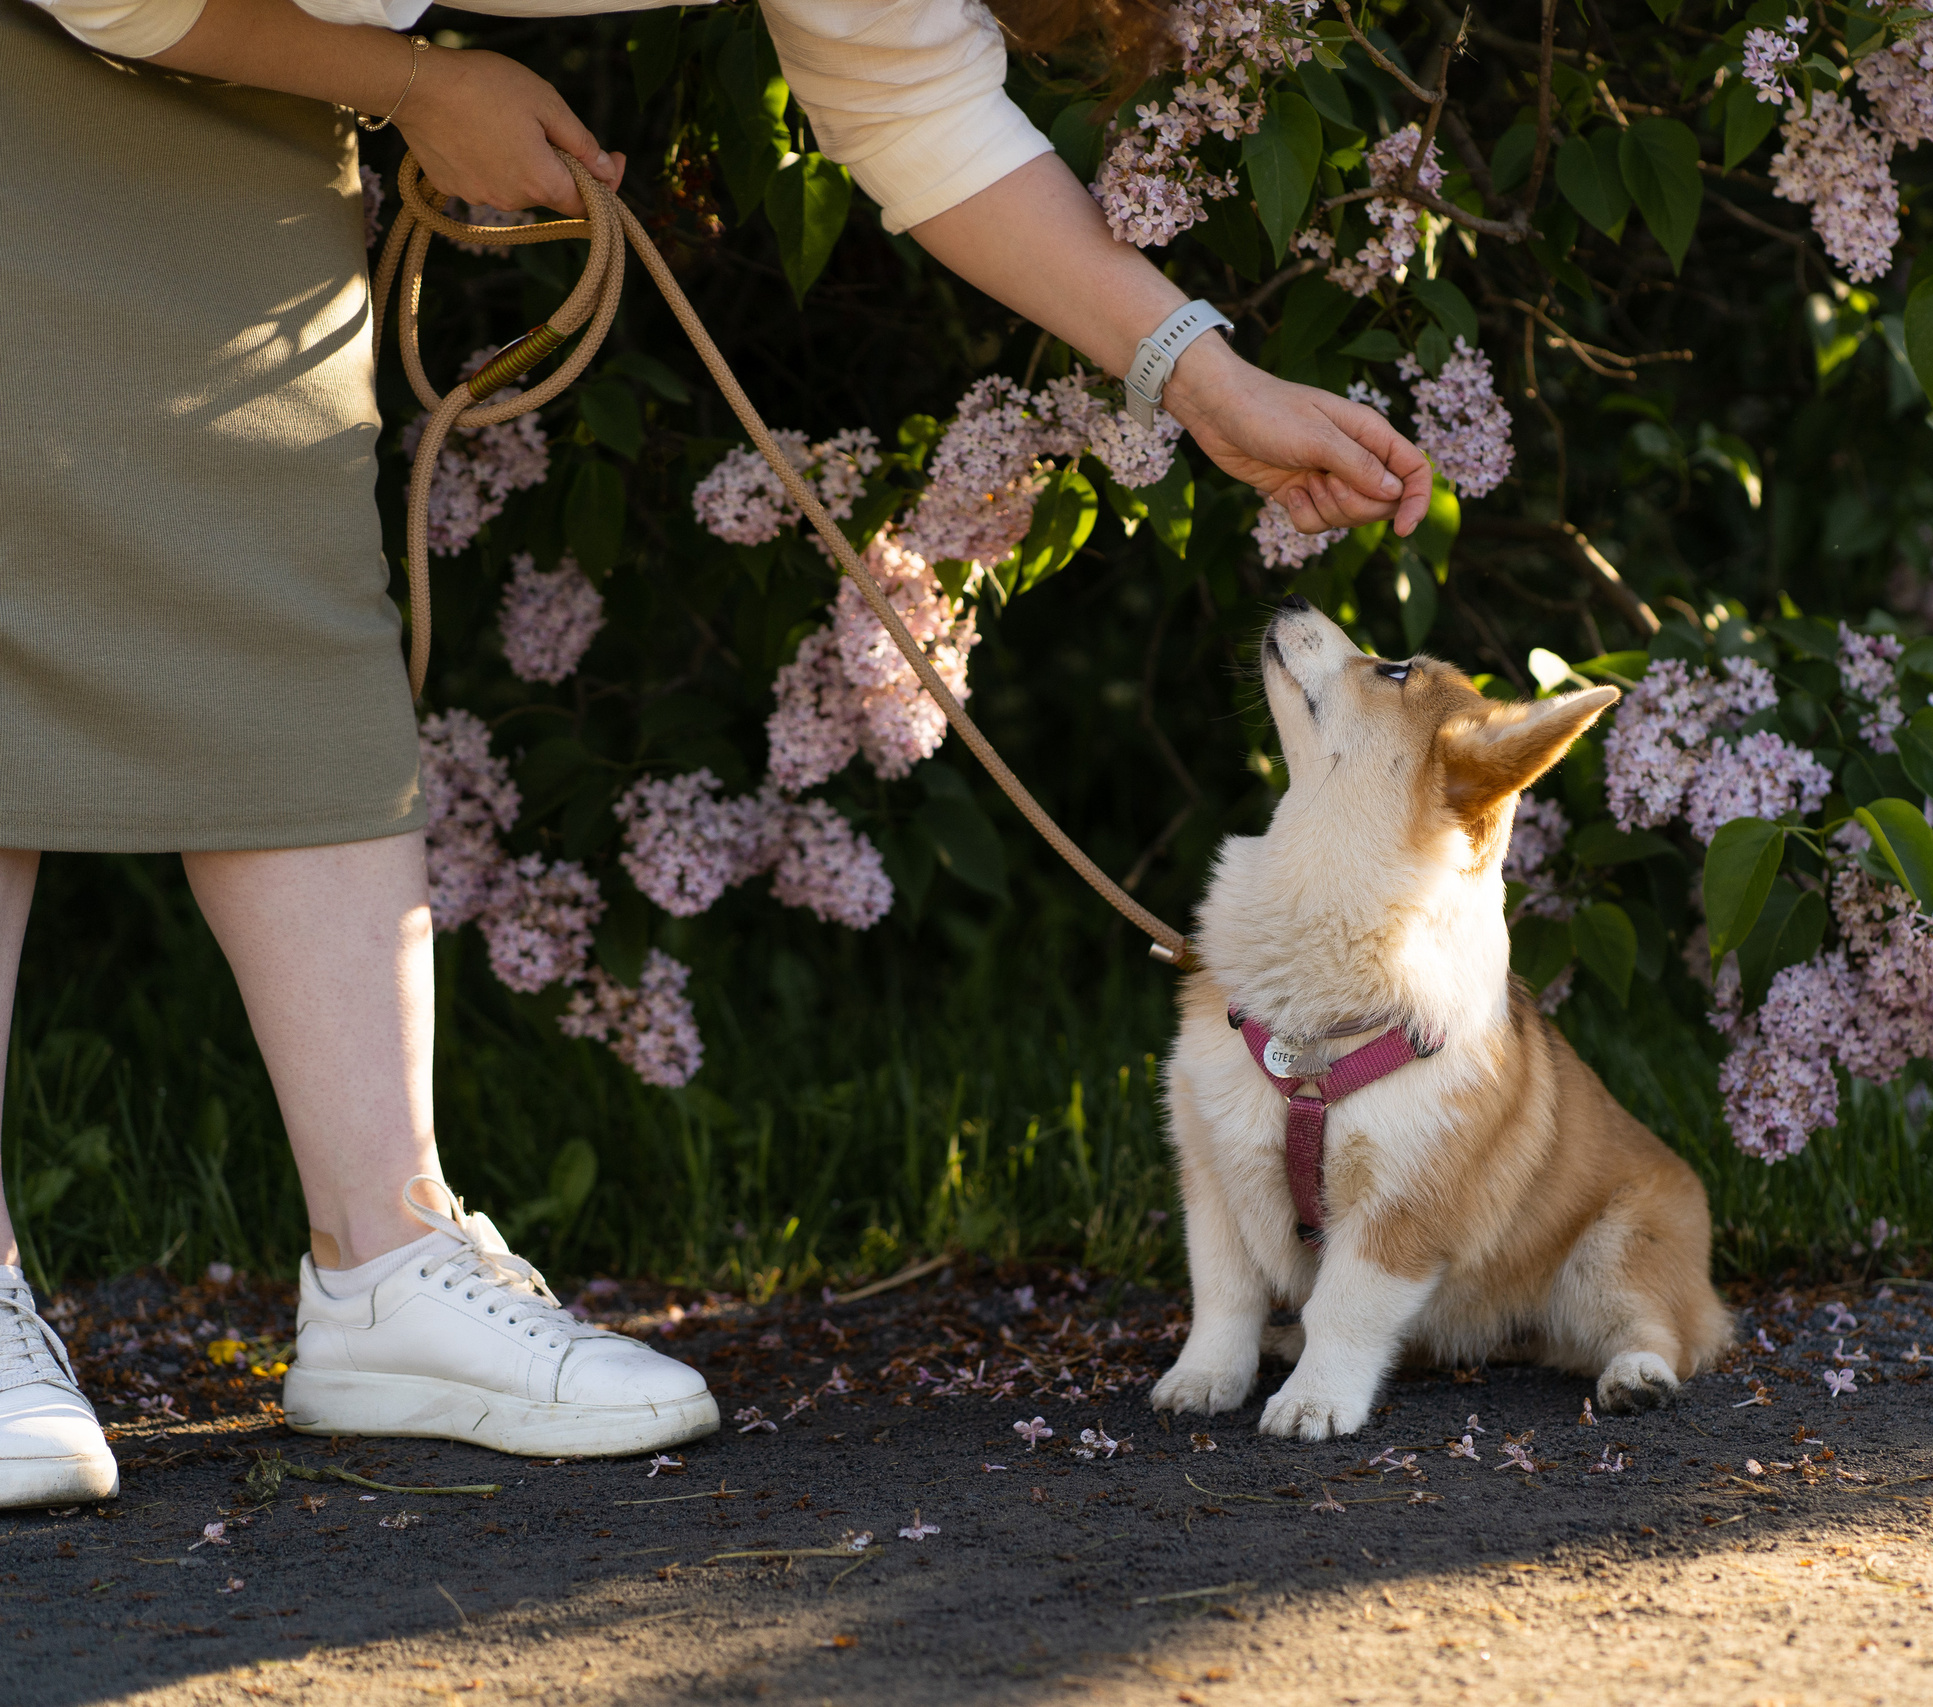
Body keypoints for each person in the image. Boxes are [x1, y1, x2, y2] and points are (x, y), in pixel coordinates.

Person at [0, 0, 1434, 1508]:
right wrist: (410, 81)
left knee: (284, 584)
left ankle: (387, 1267)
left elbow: (919, 111)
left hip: (237, 66)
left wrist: (1203, 379)